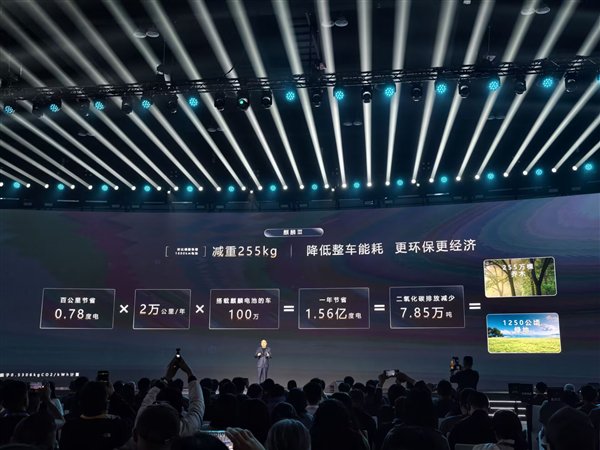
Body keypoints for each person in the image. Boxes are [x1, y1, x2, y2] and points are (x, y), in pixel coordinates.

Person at [137, 355, 205, 436]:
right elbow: (197, 405)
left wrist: (166, 378)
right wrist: (189, 373)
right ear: (181, 409)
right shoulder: (186, 429)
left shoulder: (142, 424)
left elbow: (147, 401)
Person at [59, 381, 130, 450]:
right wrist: (113, 395)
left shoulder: (69, 428)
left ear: (80, 402)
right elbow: (130, 416)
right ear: (106, 404)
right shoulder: (115, 427)